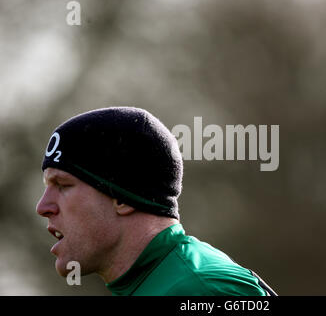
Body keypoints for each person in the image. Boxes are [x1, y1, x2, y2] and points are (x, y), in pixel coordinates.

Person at [36, 106, 276, 296]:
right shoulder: (156, 283)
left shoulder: (202, 290)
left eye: (63, 185)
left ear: (122, 197)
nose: (43, 207)